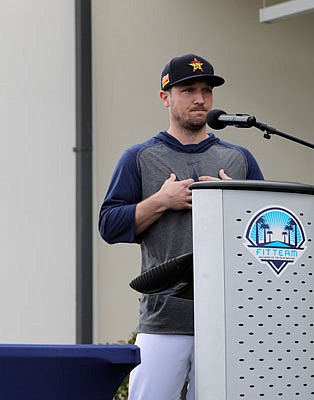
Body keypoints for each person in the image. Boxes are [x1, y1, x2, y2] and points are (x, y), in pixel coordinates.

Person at [98, 54, 264, 399]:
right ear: (165, 97)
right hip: (164, 321)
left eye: (206, 90)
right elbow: (109, 225)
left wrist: (234, 200)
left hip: (227, 323)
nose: (200, 98)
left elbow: (262, 233)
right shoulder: (139, 157)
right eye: (188, 90)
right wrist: (161, 200)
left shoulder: (239, 158)